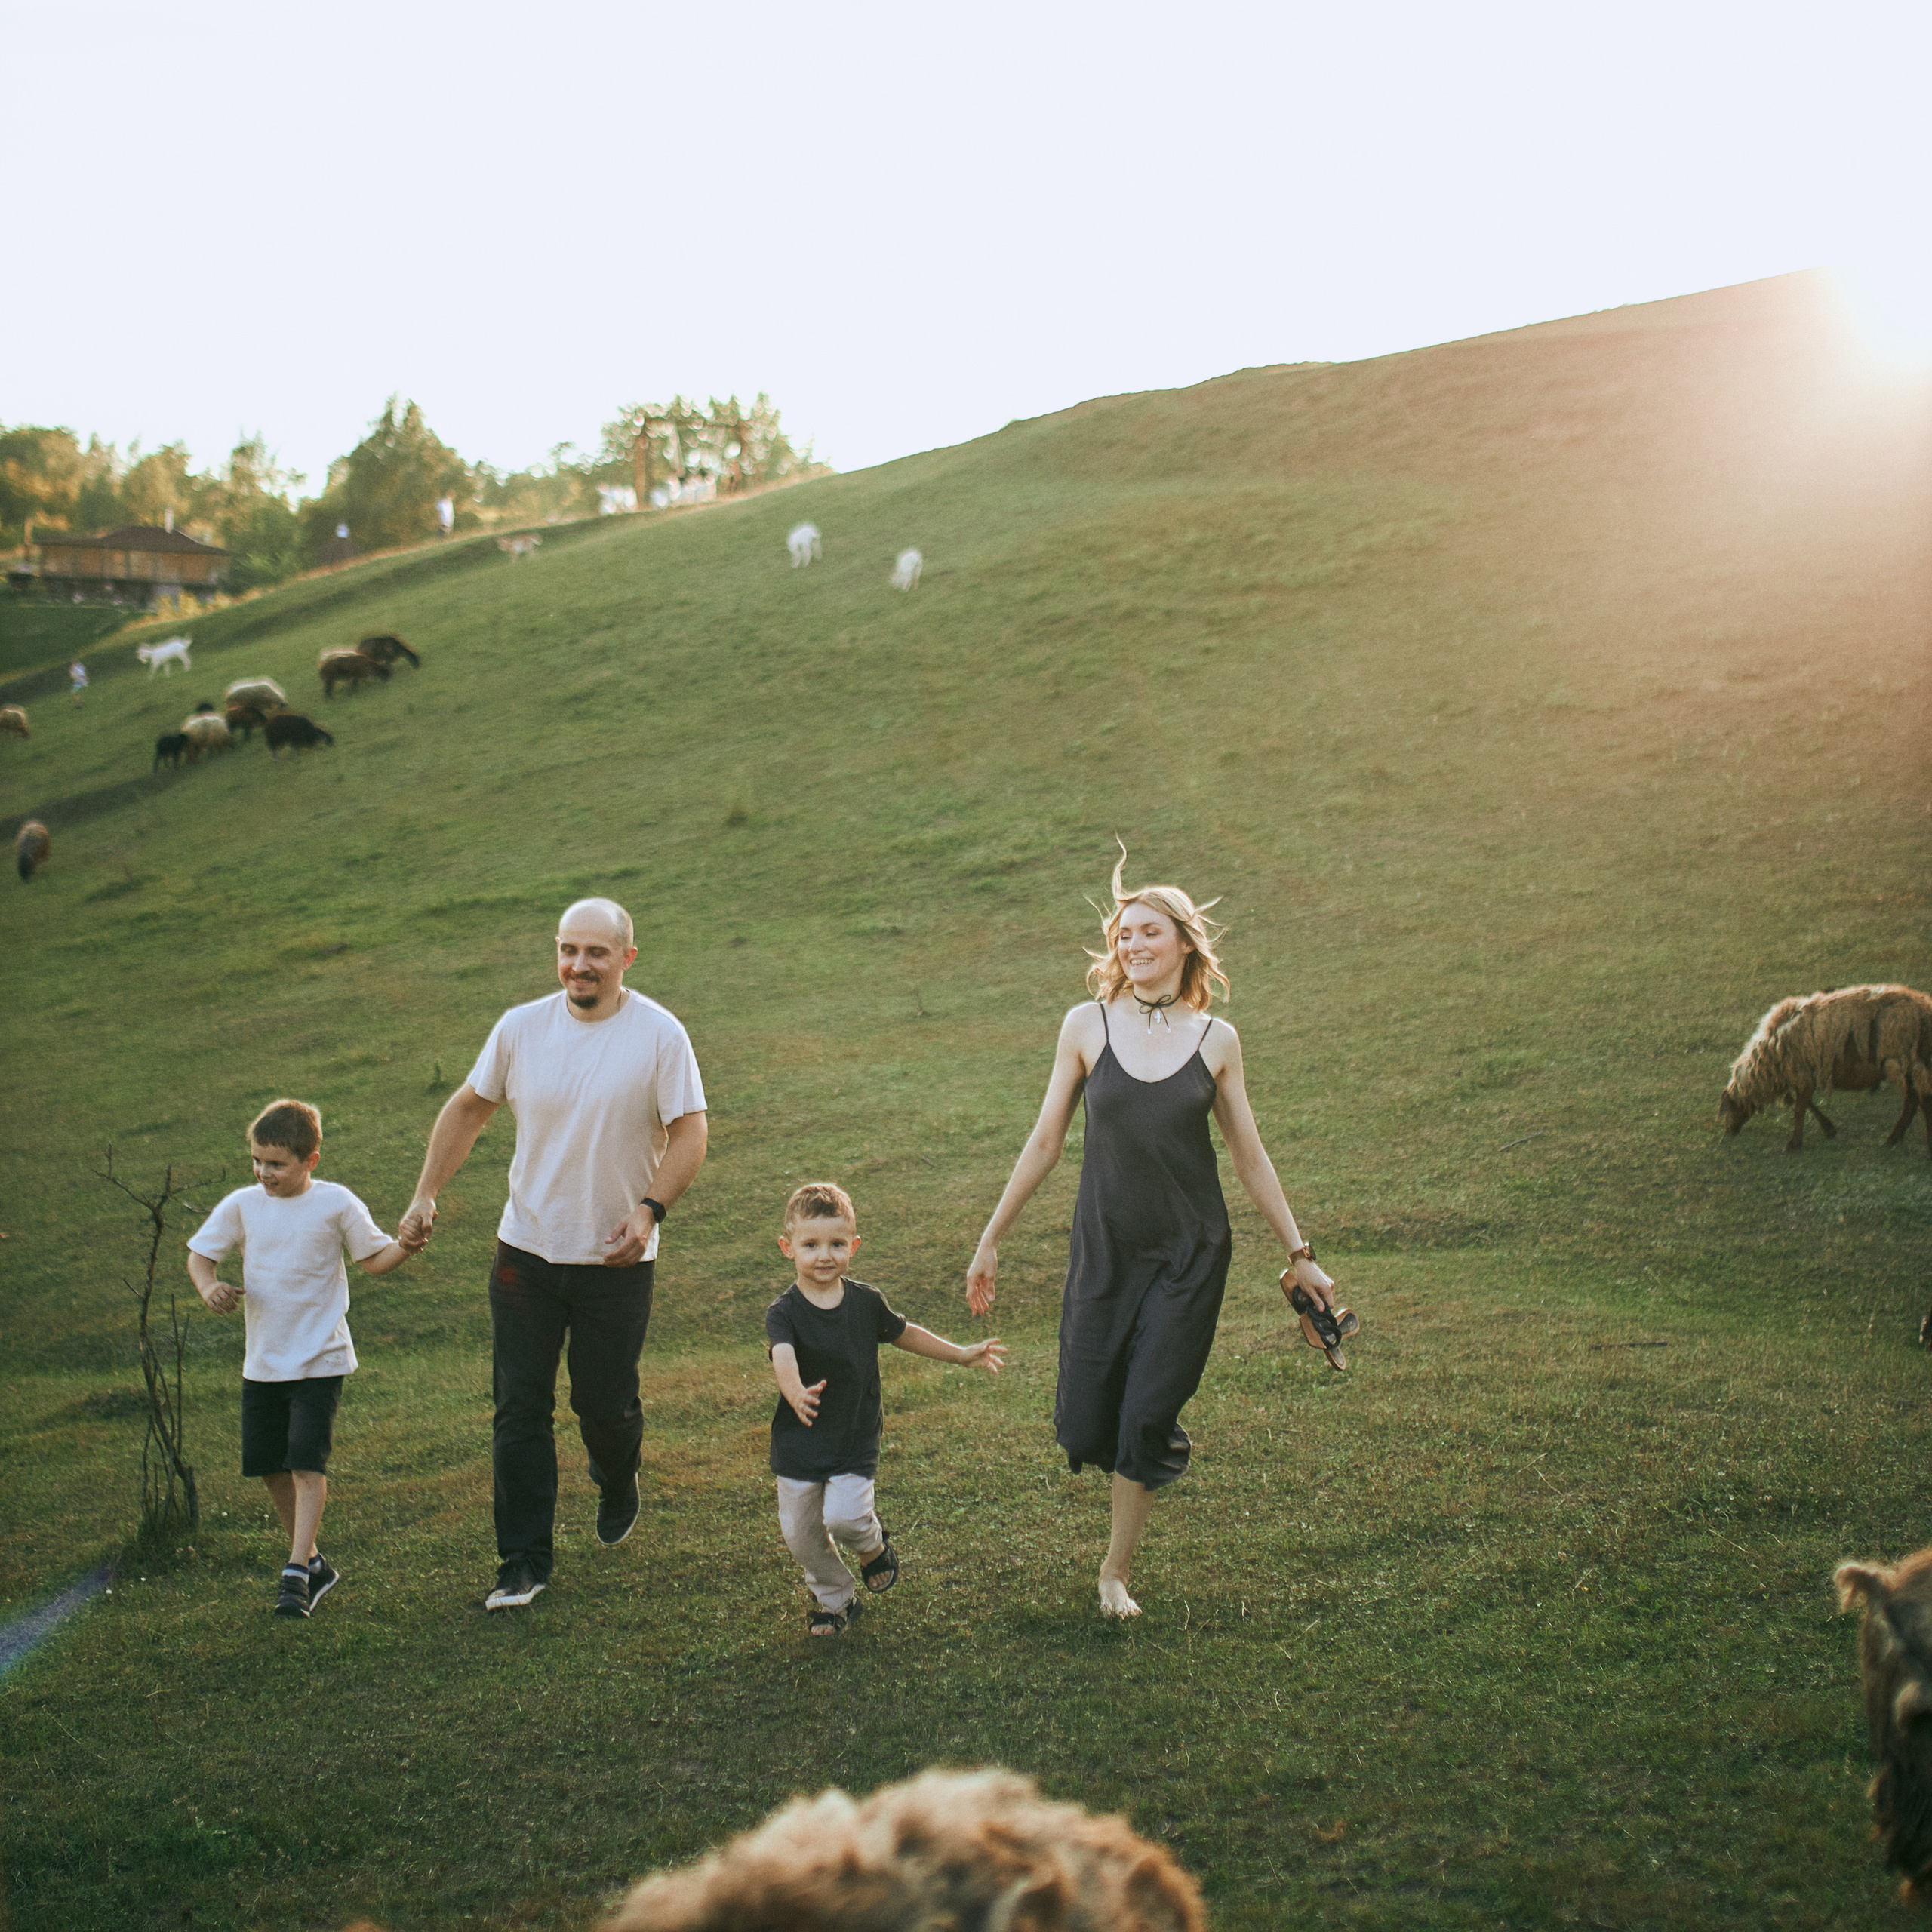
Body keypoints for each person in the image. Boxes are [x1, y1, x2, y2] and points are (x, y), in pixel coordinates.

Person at [966, 851, 1340, 1620]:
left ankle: (1114, 1572)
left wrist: (1299, 1255)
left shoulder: (1215, 1040)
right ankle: (1114, 1532)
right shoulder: (1085, 1025)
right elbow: (1043, 1143)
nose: (1132, 944)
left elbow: (1248, 1154)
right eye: (1123, 934)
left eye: (1148, 932)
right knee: (1084, 1416)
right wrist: (990, 1237)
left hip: (1188, 1253)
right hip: (1105, 1251)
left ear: (1183, 944)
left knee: (1143, 1416)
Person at [400, 898, 707, 1611]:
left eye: (597, 952)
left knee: (602, 1403)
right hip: (526, 1252)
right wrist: (425, 1194)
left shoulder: (659, 1035)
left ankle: (617, 1471)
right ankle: (523, 1562)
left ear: (627, 958)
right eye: (569, 949)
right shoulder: (520, 1029)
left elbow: (690, 1132)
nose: (579, 964)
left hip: (617, 1258)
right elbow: (469, 1107)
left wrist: (648, 1210)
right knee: (518, 1409)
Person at [185, 1098, 421, 1619]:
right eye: (258, 1161)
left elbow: (374, 1260)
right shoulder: (244, 1205)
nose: (263, 1172)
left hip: (320, 1359)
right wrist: (208, 1288)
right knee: (270, 1466)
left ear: (309, 1160)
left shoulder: (336, 1204)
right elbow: (201, 1256)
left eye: (276, 1163)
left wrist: (407, 1246)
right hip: (263, 1362)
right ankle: (314, 1562)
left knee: (305, 1463)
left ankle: (294, 1572)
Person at [767, 1182, 1005, 1637]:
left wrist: (960, 1353)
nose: (824, 1255)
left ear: (853, 1247)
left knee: (845, 1517)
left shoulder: (866, 1302)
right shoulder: (784, 1312)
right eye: (811, 1244)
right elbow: (783, 1354)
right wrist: (794, 1390)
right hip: (800, 1439)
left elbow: (905, 1333)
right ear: (788, 1248)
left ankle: (872, 1547)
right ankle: (835, 1599)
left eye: (837, 1244)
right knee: (801, 1535)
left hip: (854, 1433)